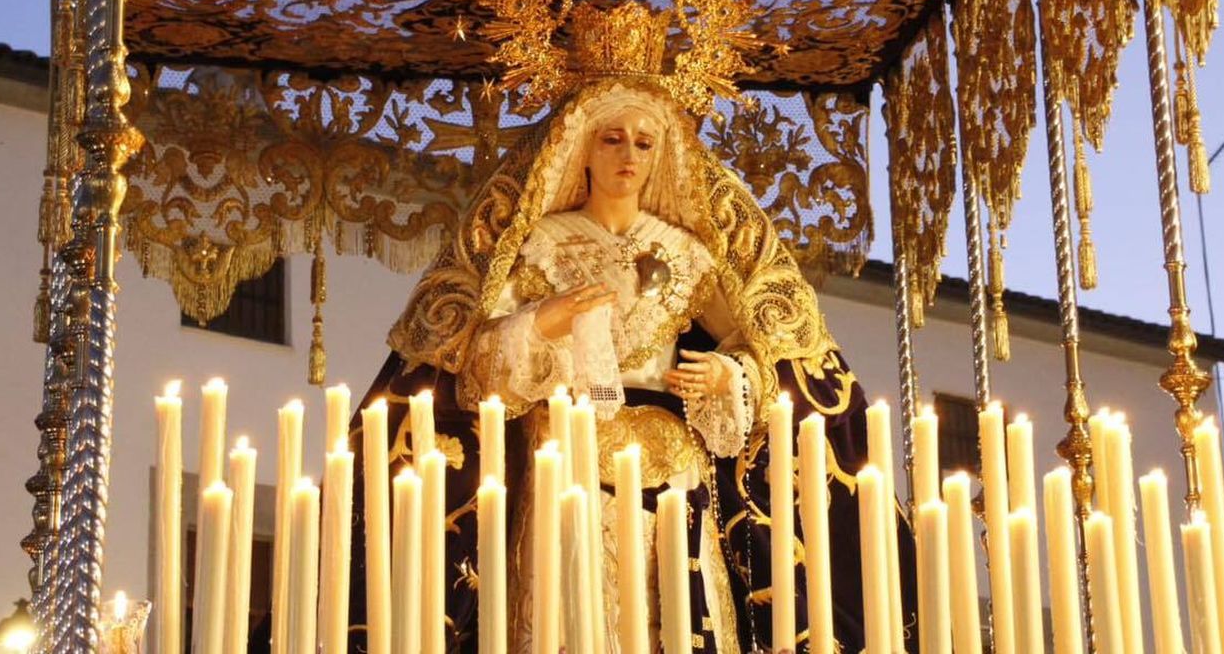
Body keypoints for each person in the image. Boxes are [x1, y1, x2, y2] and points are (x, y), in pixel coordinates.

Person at [344, 66, 912, 652]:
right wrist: (545, 321)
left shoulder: (687, 254)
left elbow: (760, 345)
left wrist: (728, 373)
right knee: (569, 605)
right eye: (612, 138)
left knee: (672, 606)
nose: (629, 155)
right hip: (566, 453)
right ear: (580, 150)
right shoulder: (540, 243)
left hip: (671, 464)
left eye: (645, 142)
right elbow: (478, 365)